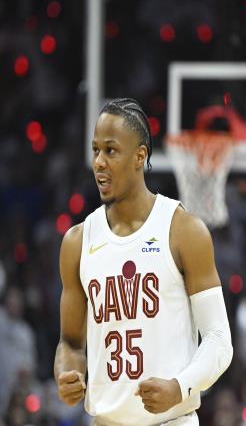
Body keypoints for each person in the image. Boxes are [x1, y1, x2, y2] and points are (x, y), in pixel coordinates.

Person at [54, 98, 233, 425]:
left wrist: (179, 387)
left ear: (140, 156)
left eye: (111, 151)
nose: (99, 162)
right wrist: (68, 372)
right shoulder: (77, 242)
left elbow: (219, 339)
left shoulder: (183, 230)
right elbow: (70, 343)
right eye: (95, 151)